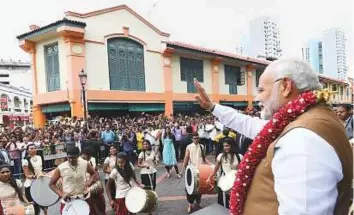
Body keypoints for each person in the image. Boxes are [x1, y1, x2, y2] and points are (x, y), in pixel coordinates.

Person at [194, 59, 353, 215]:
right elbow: (249, 124)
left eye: (261, 90)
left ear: (285, 86)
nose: (257, 98)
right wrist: (212, 107)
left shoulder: (301, 138)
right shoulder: (302, 122)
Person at [48, 146, 96, 214]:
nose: (71, 160)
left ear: (78, 156)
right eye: (69, 157)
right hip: (68, 200)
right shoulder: (61, 167)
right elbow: (51, 184)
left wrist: (89, 182)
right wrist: (61, 194)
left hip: (84, 197)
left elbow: (93, 173)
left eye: (73, 158)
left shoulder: (85, 164)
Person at [207, 138, 242, 208]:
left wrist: (238, 168)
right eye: (224, 146)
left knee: (235, 203)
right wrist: (209, 177)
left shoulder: (239, 156)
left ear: (232, 146)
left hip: (236, 183)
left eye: (227, 146)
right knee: (224, 203)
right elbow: (215, 169)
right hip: (225, 183)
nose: (225, 148)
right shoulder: (221, 156)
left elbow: (243, 170)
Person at [182, 132, 207, 214]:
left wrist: (209, 165)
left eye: (197, 138)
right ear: (192, 139)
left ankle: (198, 203)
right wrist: (183, 169)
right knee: (190, 188)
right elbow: (186, 158)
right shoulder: (189, 147)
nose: (196, 139)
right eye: (194, 138)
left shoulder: (202, 146)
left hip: (200, 170)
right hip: (191, 170)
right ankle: (190, 204)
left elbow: (204, 158)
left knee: (200, 187)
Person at [22, 144, 48, 215]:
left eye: (34, 148)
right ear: (27, 150)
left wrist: (45, 174)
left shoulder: (39, 157)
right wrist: (35, 176)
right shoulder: (25, 160)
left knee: (45, 205)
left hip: (41, 182)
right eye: (31, 148)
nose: (33, 150)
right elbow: (27, 175)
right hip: (31, 185)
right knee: (35, 207)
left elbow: (41, 170)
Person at [81, 147, 106, 215]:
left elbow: (95, 172)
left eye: (90, 156)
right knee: (89, 207)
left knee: (100, 204)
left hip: (94, 187)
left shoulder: (92, 160)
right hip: (84, 189)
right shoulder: (79, 162)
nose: (89, 157)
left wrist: (97, 182)